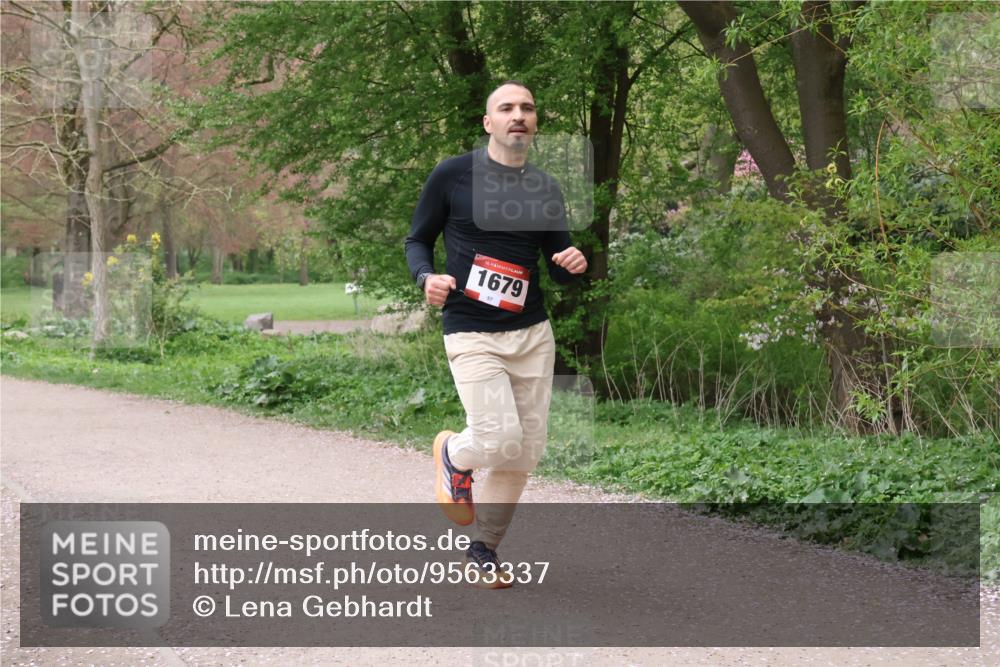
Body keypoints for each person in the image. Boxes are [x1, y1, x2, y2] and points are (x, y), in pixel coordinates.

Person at [404, 80, 588, 589]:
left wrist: (572, 263)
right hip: (471, 330)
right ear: (489, 123)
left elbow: (558, 265)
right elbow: (417, 239)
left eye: (527, 107)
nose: (518, 114)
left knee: (524, 450)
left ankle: (483, 548)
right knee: (496, 438)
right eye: (506, 108)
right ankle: (452, 456)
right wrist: (426, 277)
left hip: (531, 334)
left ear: (535, 123)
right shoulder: (453, 175)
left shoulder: (545, 188)